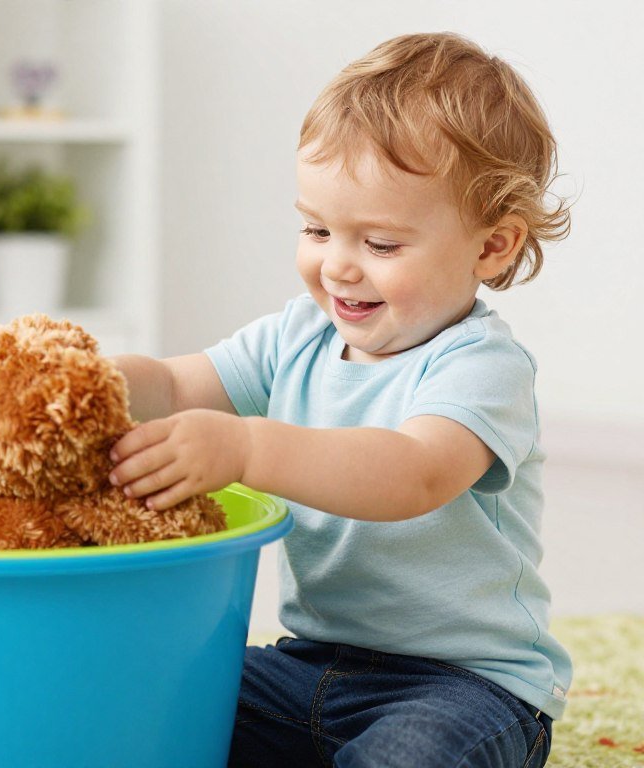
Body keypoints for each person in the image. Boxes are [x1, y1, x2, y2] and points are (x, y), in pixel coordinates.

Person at [109, 32, 572, 768]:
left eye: (381, 245)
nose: (337, 266)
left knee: (408, 759)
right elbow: (173, 384)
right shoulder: (298, 335)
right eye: (317, 229)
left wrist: (247, 447)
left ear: (492, 247)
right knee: (150, 709)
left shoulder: (483, 365)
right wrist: (83, 383)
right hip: (309, 665)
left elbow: (411, 474)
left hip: (464, 686)